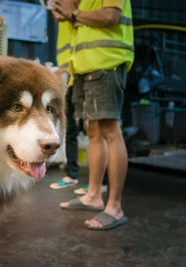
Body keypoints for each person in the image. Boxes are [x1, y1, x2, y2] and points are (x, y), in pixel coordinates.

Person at [52, 0, 134, 230]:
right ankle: (94, 195)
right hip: (85, 65)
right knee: (93, 131)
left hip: (106, 62)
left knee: (110, 129)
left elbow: (110, 17)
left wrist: (73, 12)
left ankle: (115, 207)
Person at [49, 20, 80, 190]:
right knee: (71, 130)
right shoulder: (63, 19)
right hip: (68, 80)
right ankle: (72, 174)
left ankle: (101, 183)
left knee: (95, 131)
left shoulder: (79, 10)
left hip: (86, 76)